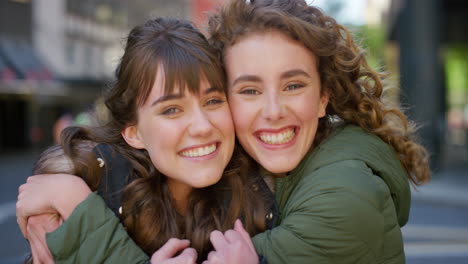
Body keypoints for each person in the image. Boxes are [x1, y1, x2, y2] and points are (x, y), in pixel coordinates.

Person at [19, 0, 431, 263]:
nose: (272, 111)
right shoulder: (242, 178)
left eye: (293, 85)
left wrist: (80, 219)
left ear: (324, 97)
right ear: (134, 133)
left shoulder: (339, 192)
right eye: (249, 89)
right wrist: (68, 173)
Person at [17, 17, 273, 263]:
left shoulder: (263, 187)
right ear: (134, 132)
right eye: (171, 109)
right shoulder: (88, 197)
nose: (203, 127)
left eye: (213, 101)